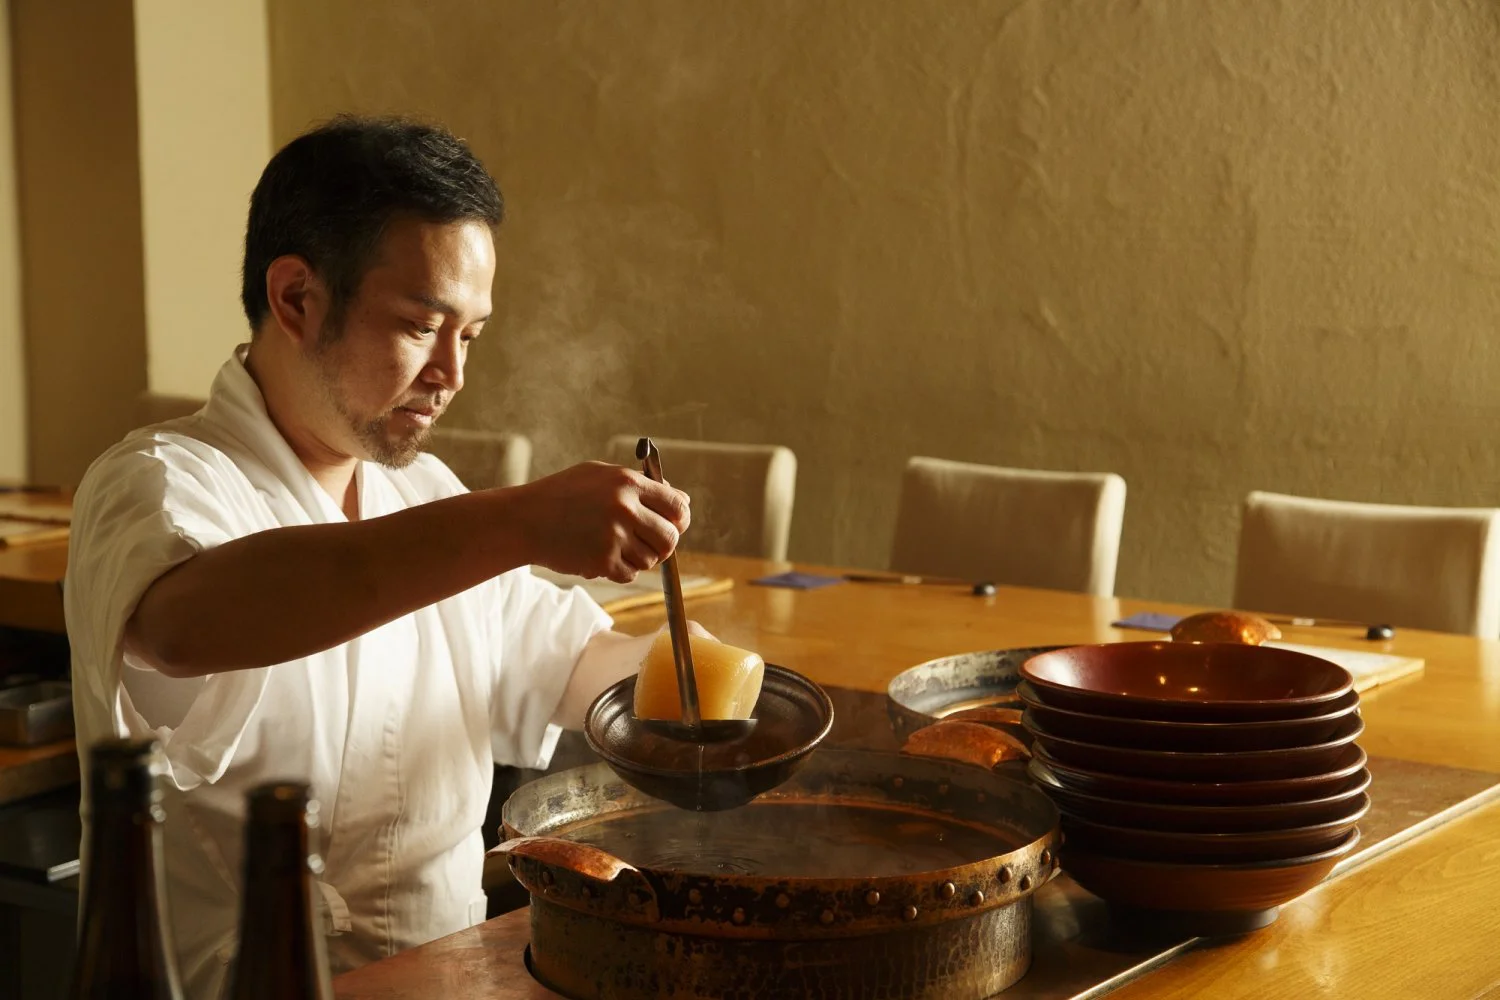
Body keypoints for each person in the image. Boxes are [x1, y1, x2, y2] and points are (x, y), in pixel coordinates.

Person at [64, 115, 691, 999]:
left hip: (450, 983)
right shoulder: (156, 483)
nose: (452, 374)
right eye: (419, 325)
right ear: (295, 299)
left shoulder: (424, 496)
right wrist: (518, 520)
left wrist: (727, 686)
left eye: (469, 336)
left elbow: (573, 660)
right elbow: (186, 623)